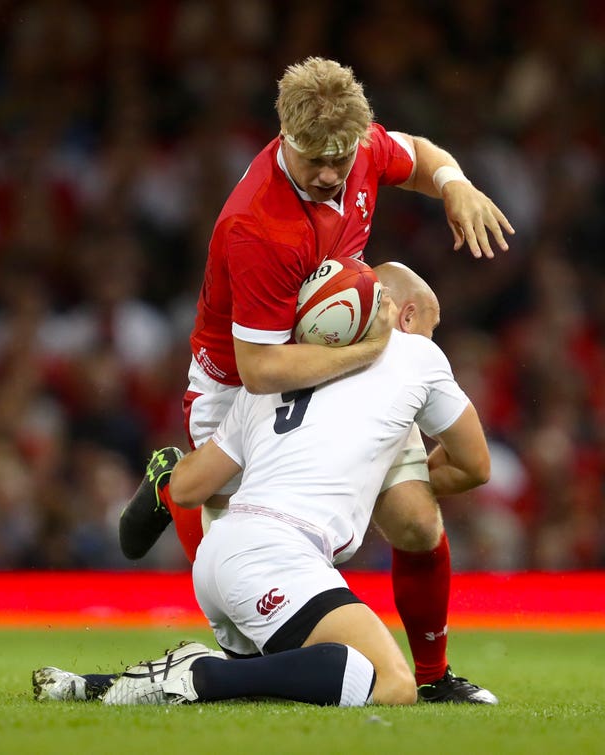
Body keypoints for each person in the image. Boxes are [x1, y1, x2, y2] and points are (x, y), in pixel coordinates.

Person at [119, 57, 514, 701]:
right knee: (244, 580)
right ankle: (174, 486)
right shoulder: (256, 225)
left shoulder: (353, 146)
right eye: (313, 162)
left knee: (416, 521)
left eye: (340, 158)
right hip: (240, 386)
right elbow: (263, 368)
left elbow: (414, 152)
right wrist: (371, 354)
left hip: (332, 350)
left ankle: (434, 679)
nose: (331, 174)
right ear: (284, 137)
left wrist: (454, 183)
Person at [33, 264, 493, 707]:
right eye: (430, 327)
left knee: (284, 678)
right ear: (404, 315)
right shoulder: (415, 353)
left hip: (219, 558)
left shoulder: (271, 377)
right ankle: (199, 673)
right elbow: (476, 466)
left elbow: (189, 489)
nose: (430, 339)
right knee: (392, 683)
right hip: (279, 557)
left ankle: (94, 686)